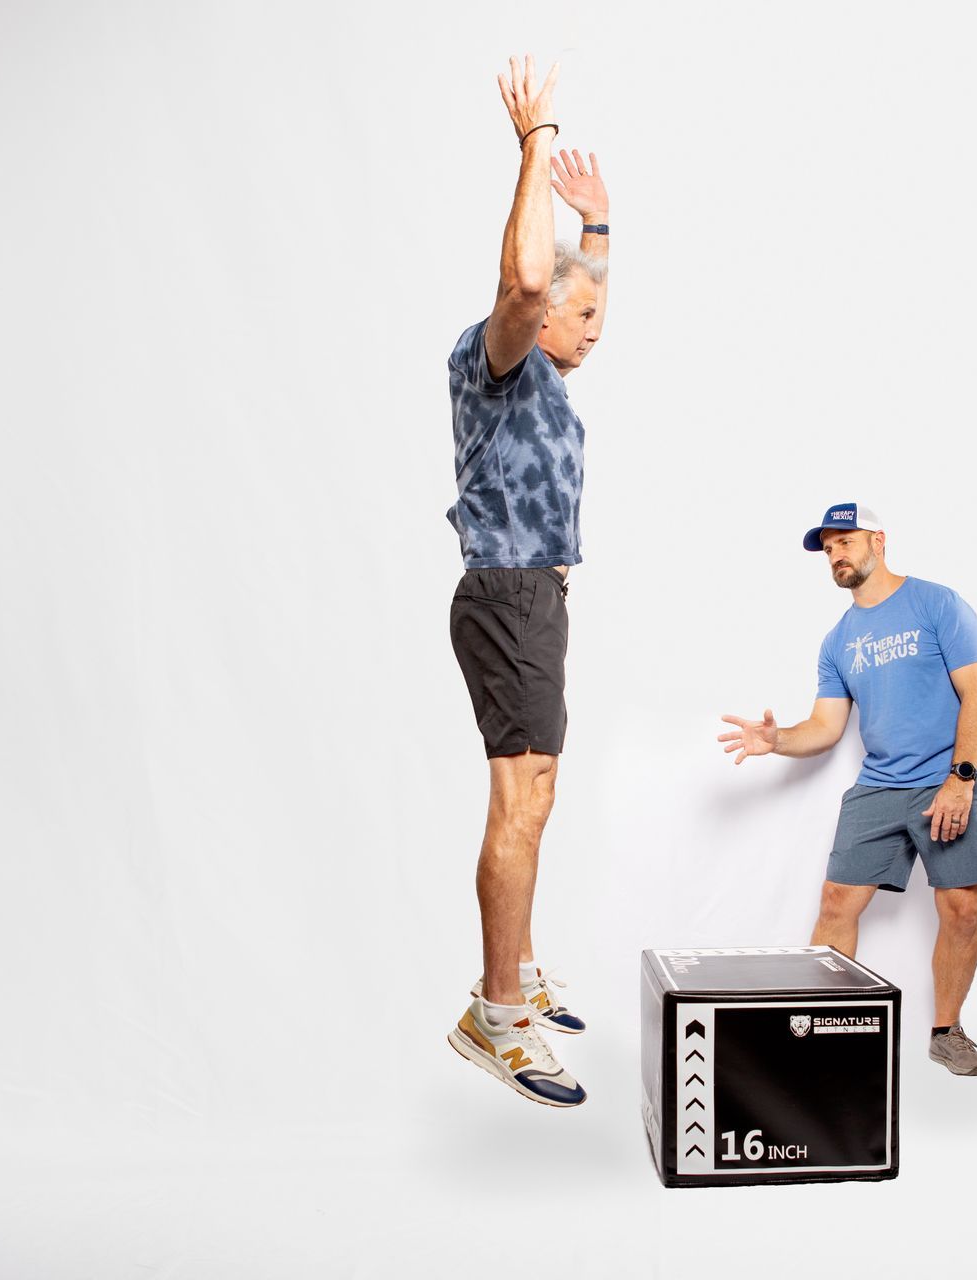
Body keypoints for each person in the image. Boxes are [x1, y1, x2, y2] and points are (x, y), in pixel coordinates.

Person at [442, 55, 610, 1108]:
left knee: (536, 794)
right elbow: (527, 284)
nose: (595, 325)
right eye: (582, 312)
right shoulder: (501, 353)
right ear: (542, 317)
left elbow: (572, 290)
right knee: (520, 800)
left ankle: (518, 973)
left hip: (531, 598)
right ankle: (493, 1014)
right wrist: (536, 146)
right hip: (506, 594)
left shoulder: (548, 366)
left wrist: (598, 232)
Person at [719, 504, 977, 1075]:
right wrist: (776, 741)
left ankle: (947, 1031)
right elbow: (825, 728)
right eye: (827, 549)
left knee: (961, 909)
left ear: (878, 539)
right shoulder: (838, 640)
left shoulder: (937, 604)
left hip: (949, 779)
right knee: (837, 901)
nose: (836, 555)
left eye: (844, 541)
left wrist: (961, 779)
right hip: (880, 785)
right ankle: (819, 1028)